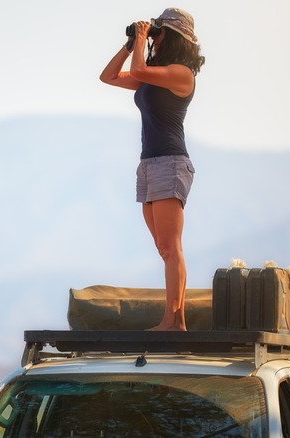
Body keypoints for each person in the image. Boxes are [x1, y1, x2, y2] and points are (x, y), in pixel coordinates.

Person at [100, 7, 204, 331]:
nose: (154, 38)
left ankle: (173, 321)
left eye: (160, 33)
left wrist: (144, 38)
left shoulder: (182, 73)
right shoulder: (152, 74)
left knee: (172, 246)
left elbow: (140, 72)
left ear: (173, 39)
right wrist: (132, 44)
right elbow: (109, 76)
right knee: (163, 247)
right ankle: (178, 320)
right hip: (149, 164)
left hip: (171, 163)